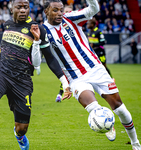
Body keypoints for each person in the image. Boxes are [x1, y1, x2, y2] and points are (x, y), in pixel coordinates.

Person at [0, 0, 72, 150]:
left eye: (26, 7)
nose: (23, 10)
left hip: (22, 81)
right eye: (19, 7)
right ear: (12, 8)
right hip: (1, 73)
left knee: (22, 127)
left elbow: (48, 59)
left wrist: (65, 83)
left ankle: (19, 136)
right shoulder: (7, 24)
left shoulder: (37, 28)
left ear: (29, 9)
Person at [43, 0, 141, 149]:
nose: (60, 13)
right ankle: (106, 122)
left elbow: (94, 8)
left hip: (96, 69)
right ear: (46, 12)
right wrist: (64, 82)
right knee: (93, 107)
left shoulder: (70, 18)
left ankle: (135, 143)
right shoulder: (43, 31)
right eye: (55, 10)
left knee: (119, 108)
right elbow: (48, 59)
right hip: (75, 78)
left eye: (61, 10)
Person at [55, 4, 73, 102]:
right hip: (63, 56)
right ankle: (60, 93)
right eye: (65, 12)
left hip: (74, 56)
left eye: (69, 12)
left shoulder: (73, 25)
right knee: (65, 75)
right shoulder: (56, 26)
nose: (66, 14)